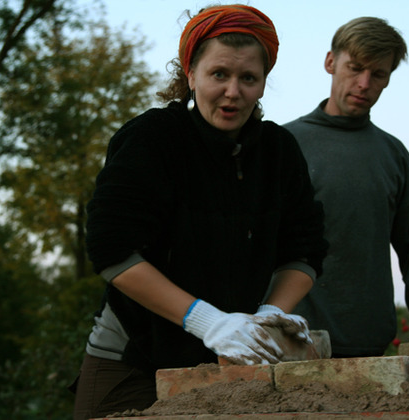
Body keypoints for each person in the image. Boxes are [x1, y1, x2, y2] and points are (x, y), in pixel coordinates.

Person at [71, 5, 328, 419]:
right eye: (219, 74)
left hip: (237, 360)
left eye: (248, 78)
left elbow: (305, 248)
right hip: (135, 358)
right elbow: (112, 249)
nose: (233, 92)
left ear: (263, 83)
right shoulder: (150, 140)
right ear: (190, 75)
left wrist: (270, 314)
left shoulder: (280, 152)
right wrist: (207, 322)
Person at [284, 17, 409, 358]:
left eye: (378, 74)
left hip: (372, 349)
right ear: (330, 62)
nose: (364, 83)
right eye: (355, 68)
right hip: (291, 343)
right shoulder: (283, 145)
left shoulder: (393, 155)